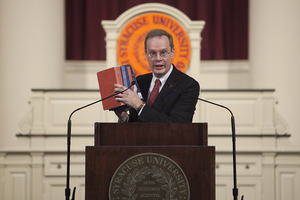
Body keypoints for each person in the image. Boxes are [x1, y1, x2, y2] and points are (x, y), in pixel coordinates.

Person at [114, 29, 200, 122]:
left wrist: (139, 105)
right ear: (146, 55)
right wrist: (124, 118)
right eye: (152, 53)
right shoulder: (140, 81)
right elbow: (138, 124)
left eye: (163, 52)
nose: (158, 58)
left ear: (172, 52)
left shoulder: (188, 85)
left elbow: (177, 126)